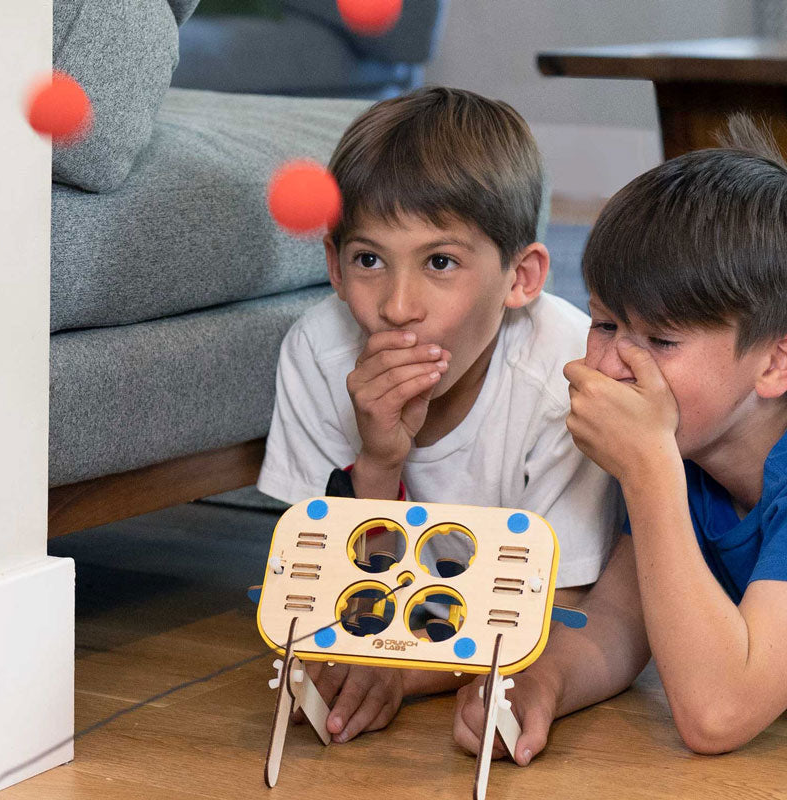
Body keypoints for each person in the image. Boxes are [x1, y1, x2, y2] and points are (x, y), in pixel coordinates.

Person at [256, 86, 623, 747]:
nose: (398, 306)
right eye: (369, 260)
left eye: (440, 262)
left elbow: (554, 603)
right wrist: (378, 463)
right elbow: (312, 584)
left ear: (521, 278)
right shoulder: (318, 351)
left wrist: (401, 673)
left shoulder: (568, 375)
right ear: (333, 266)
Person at [455, 115, 787, 760]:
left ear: (774, 362)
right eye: (604, 325)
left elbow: (718, 715)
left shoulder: (659, 457)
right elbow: (617, 618)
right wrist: (543, 682)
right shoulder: (687, 451)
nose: (612, 366)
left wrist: (649, 472)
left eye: (661, 340)